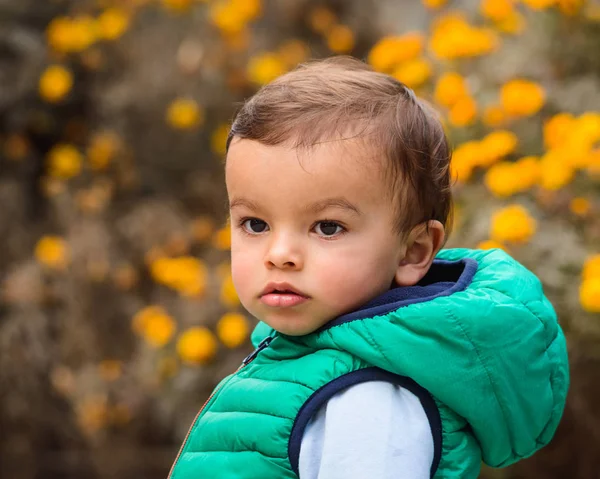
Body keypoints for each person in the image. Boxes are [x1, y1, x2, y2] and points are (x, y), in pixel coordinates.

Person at [167, 56, 569, 479]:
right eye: (255, 224)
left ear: (413, 251)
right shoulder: (306, 358)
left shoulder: (370, 402)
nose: (279, 253)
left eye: (327, 227)